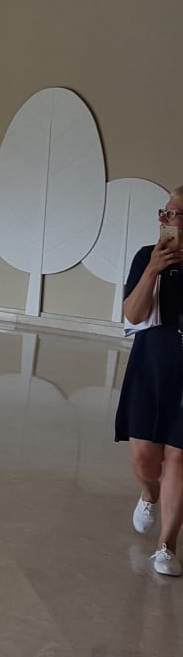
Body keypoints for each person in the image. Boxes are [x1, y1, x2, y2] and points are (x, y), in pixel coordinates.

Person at [119, 187, 183, 577]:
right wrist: (153, 270)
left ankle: (167, 546)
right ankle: (149, 493)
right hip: (151, 366)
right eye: (165, 211)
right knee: (144, 457)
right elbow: (132, 314)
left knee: (179, 456)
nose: (164, 219)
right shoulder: (148, 256)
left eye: (174, 213)